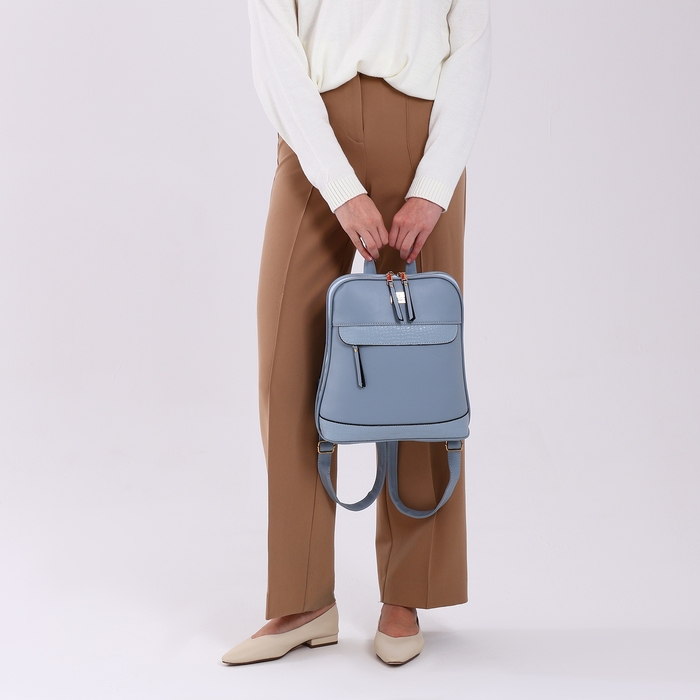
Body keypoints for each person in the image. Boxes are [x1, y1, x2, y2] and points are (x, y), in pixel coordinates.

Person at [222, 0, 491, 666]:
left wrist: (436, 184)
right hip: (314, 128)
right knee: (288, 362)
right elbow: (274, 46)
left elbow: (471, 43)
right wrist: (339, 185)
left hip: (424, 136)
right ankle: (303, 597)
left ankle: (408, 591)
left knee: (419, 368)